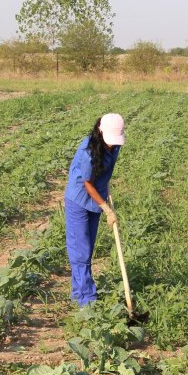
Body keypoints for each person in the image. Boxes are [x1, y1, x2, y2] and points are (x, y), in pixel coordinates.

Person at [64, 113, 125, 307]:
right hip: (80, 200)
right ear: (100, 131)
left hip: (96, 198)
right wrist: (106, 208)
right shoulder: (88, 151)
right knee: (80, 251)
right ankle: (87, 301)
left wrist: (106, 184)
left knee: (86, 249)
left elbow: (105, 171)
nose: (111, 144)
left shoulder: (114, 145)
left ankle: (78, 294)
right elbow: (88, 184)